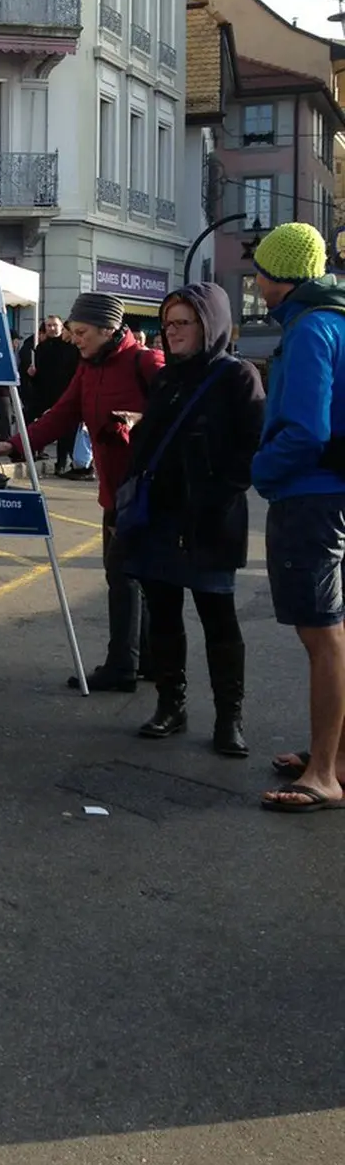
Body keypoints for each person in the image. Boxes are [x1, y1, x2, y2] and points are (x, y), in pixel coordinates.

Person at [0, 293, 163, 691]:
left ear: (108, 329)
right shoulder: (89, 367)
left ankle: (123, 667)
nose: (74, 339)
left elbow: (177, 412)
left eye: (81, 332)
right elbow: (61, 414)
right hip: (115, 494)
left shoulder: (146, 363)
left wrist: (137, 420)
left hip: (148, 493)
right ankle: (147, 659)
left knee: (125, 577)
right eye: (72, 331)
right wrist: (14, 444)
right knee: (133, 577)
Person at [120, 284, 264, 754]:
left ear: (210, 325)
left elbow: (251, 449)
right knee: (164, 616)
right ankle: (170, 705)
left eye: (184, 322)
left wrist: (215, 489)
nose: (173, 332)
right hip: (161, 519)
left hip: (210, 520)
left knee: (218, 618)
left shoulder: (237, 376)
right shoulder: (168, 378)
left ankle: (230, 719)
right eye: (169, 324)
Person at [243, 224, 345, 812]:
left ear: (281, 277)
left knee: (322, 634)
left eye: (260, 270)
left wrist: (262, 470)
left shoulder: (310, 330)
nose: (256, 281)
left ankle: (325, 773)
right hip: (332, 493)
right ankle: (332, 754)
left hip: (310, 495)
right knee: (332, 631)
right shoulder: (335, 317)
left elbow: (305, 429)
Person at [29, 315, 79, 465]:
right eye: (48, 325)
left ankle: (65, 462)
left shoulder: (73, 348)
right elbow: (38, 374)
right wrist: (32, 375)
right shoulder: (41, 348)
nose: (51, 328)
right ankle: (33, 452)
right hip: (44, 394)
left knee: (67, 431)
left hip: (65, 393)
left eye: (54, 325)